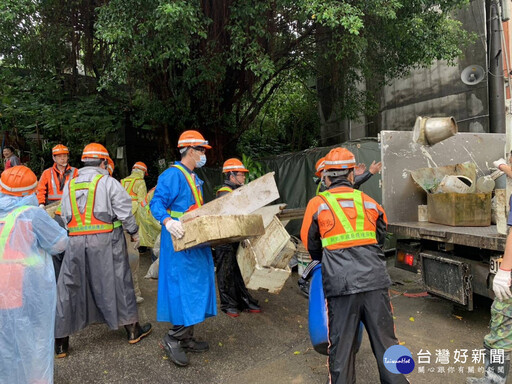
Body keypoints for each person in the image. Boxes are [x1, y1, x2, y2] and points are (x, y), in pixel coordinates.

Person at [300, 147, 408, 384]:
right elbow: (381, 238)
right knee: (388, 344)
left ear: (326, 177)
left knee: (342, 349)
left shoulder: (317, 205)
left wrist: (330, 259)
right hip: (375, 281)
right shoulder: (370, 202)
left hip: (340, 284)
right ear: (351, 175)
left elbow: (311, 246)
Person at [54, 143, 151, 358]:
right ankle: (133, 330)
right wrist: (134, 232)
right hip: (107, 241)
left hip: (76, 242)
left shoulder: (69, 184)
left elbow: (64, 216)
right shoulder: (109, 182)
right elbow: (125, 213)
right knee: (119, 281)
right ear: (103, 162)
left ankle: (61, 344)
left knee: (69, 286)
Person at [150, 130, 216, 367]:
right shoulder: (172, 175)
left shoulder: (191, 176)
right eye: (201, 150)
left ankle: (186, 337)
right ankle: (173, 338)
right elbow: (156, 203)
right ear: (190, 151)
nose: (204, 154)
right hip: (179, 240)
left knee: (195, 287)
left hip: (194, 240)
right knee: (183, 288)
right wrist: (168, 221)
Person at [0, 165, 68, 384]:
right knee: (32, 337)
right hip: (27, 287)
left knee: (5, 337)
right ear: (31, 191)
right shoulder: (33, 215)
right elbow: (59, 243)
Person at [299, 155, 383, 297]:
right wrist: (369, 173)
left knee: (321, 258)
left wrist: (354, 175)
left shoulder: (324, 190)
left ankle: (304, 279)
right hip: (333, 240)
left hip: (334, 244)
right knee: (318, 259)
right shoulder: (324, 193)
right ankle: (303, 280)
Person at [214, 158, 261, 317]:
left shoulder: (236, 192)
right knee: (225, 272)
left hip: (235, 238)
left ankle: (242, 300)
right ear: (231, 176)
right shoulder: (224, 192)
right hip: (224, 239)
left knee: (237, 271)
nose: (243, 178)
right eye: (240, 175)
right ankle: (228, 304)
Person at [121, 162, 149, 304]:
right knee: (133, 258)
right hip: (133, 221)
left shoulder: (123, 181)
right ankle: (135, 293)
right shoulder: (140, 182)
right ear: (143, 172)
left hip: (120, 222)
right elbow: (142, 203)